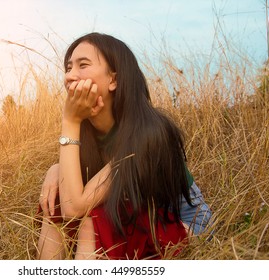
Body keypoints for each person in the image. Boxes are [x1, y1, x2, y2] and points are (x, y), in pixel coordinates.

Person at [37, 32, 212, 260]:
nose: (70, 76)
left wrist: (69, 121)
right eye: (68, 67)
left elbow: (76, 208)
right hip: (131, 208)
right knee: (58, 200)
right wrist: (56, 168)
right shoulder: (86, 130)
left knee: (95, 220)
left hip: (181, 220)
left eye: (83, 65)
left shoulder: (148, 133)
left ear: (113, 80)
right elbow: (71, 200)